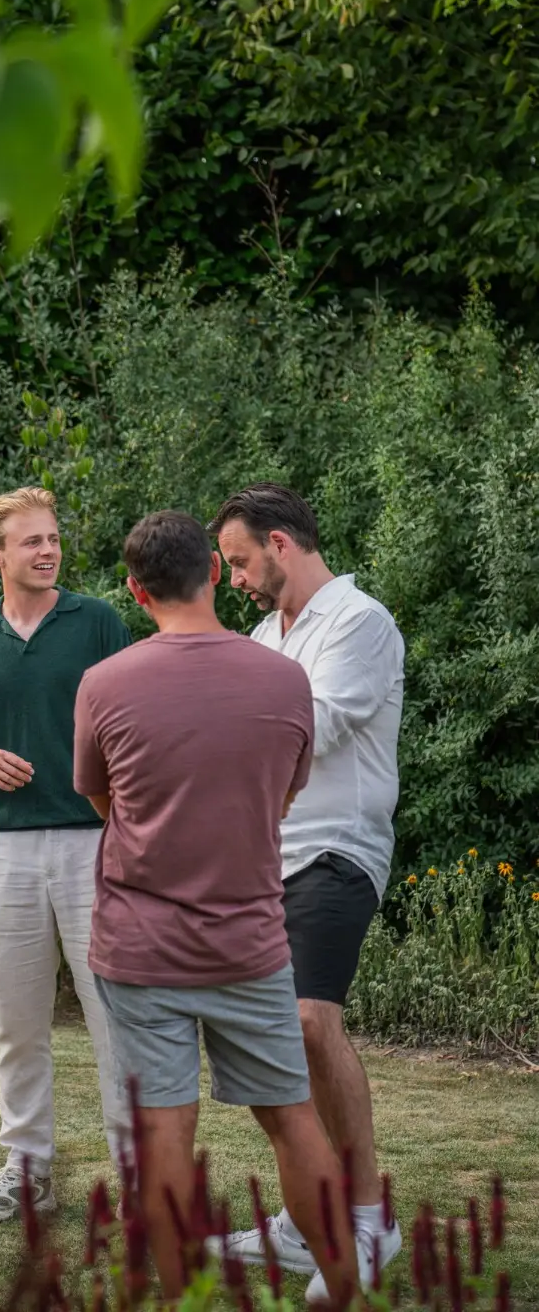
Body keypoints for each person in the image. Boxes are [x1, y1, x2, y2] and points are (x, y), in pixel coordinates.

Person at [73, 512, 360, 1303]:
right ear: (210, 569)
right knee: (294, 1122)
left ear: (135, 590)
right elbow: (286, 790)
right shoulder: (283, 679)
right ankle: (349, 1291)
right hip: (250, 943)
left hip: (140, 948)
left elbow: (104, 798)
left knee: (164, 1133)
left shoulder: (105, 683)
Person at [211, 483, 404, 1296]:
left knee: (310, 1023)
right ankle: (304, 1218)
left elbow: (312, 727)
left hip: (338, 848)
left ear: (282, 543)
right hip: (266, 859)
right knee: (273, 1040)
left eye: (241, 561)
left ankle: (369, 1222)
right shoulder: (264, 634)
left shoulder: (360, 622)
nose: (234, 578)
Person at [0, 486, 132, 1222]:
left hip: (94, 846)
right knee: (16, 1026)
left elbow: (133, 723)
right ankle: (26, 1171)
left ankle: (140, 1170)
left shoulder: (99, 623)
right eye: (32, 541)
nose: (49, 550)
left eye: (53, 538)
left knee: (116, 1017)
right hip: (4, 855)